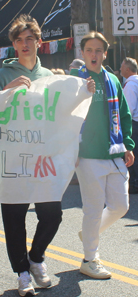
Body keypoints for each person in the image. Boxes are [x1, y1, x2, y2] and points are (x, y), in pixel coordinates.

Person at [0, 14, 64, 297]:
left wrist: (81, 93)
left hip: (43, 158)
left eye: (30, 38)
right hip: (12, 156)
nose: (25, 43)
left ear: (39, 42)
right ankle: (21, 272)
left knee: (52, 214)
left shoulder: (50, 77)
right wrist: (5, 91)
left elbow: (62, 115)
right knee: (14, 218)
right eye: (19, 40)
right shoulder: (2, 75)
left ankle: (36, 258)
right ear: (14, 46)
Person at [71, 32, 134, 279]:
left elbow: (124, 114)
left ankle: (89, 233)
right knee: (93, 209)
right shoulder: (75, 79)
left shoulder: (113, 81)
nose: (94, 54)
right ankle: (89, 259)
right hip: (87, 155)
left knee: (121, 206)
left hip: (115, 153)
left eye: (99, 50)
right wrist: (81, 93)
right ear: (83, 53)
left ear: (105, 54)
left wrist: (128, 144)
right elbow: (64, 113)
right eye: (89, 50)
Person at [120, 57, 138, 194]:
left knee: (132, 152)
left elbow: (128, 109)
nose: (120, 69)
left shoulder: (131, 85)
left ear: (127, 69)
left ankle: (134, 182)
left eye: (122, 67)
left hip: (134, 124)